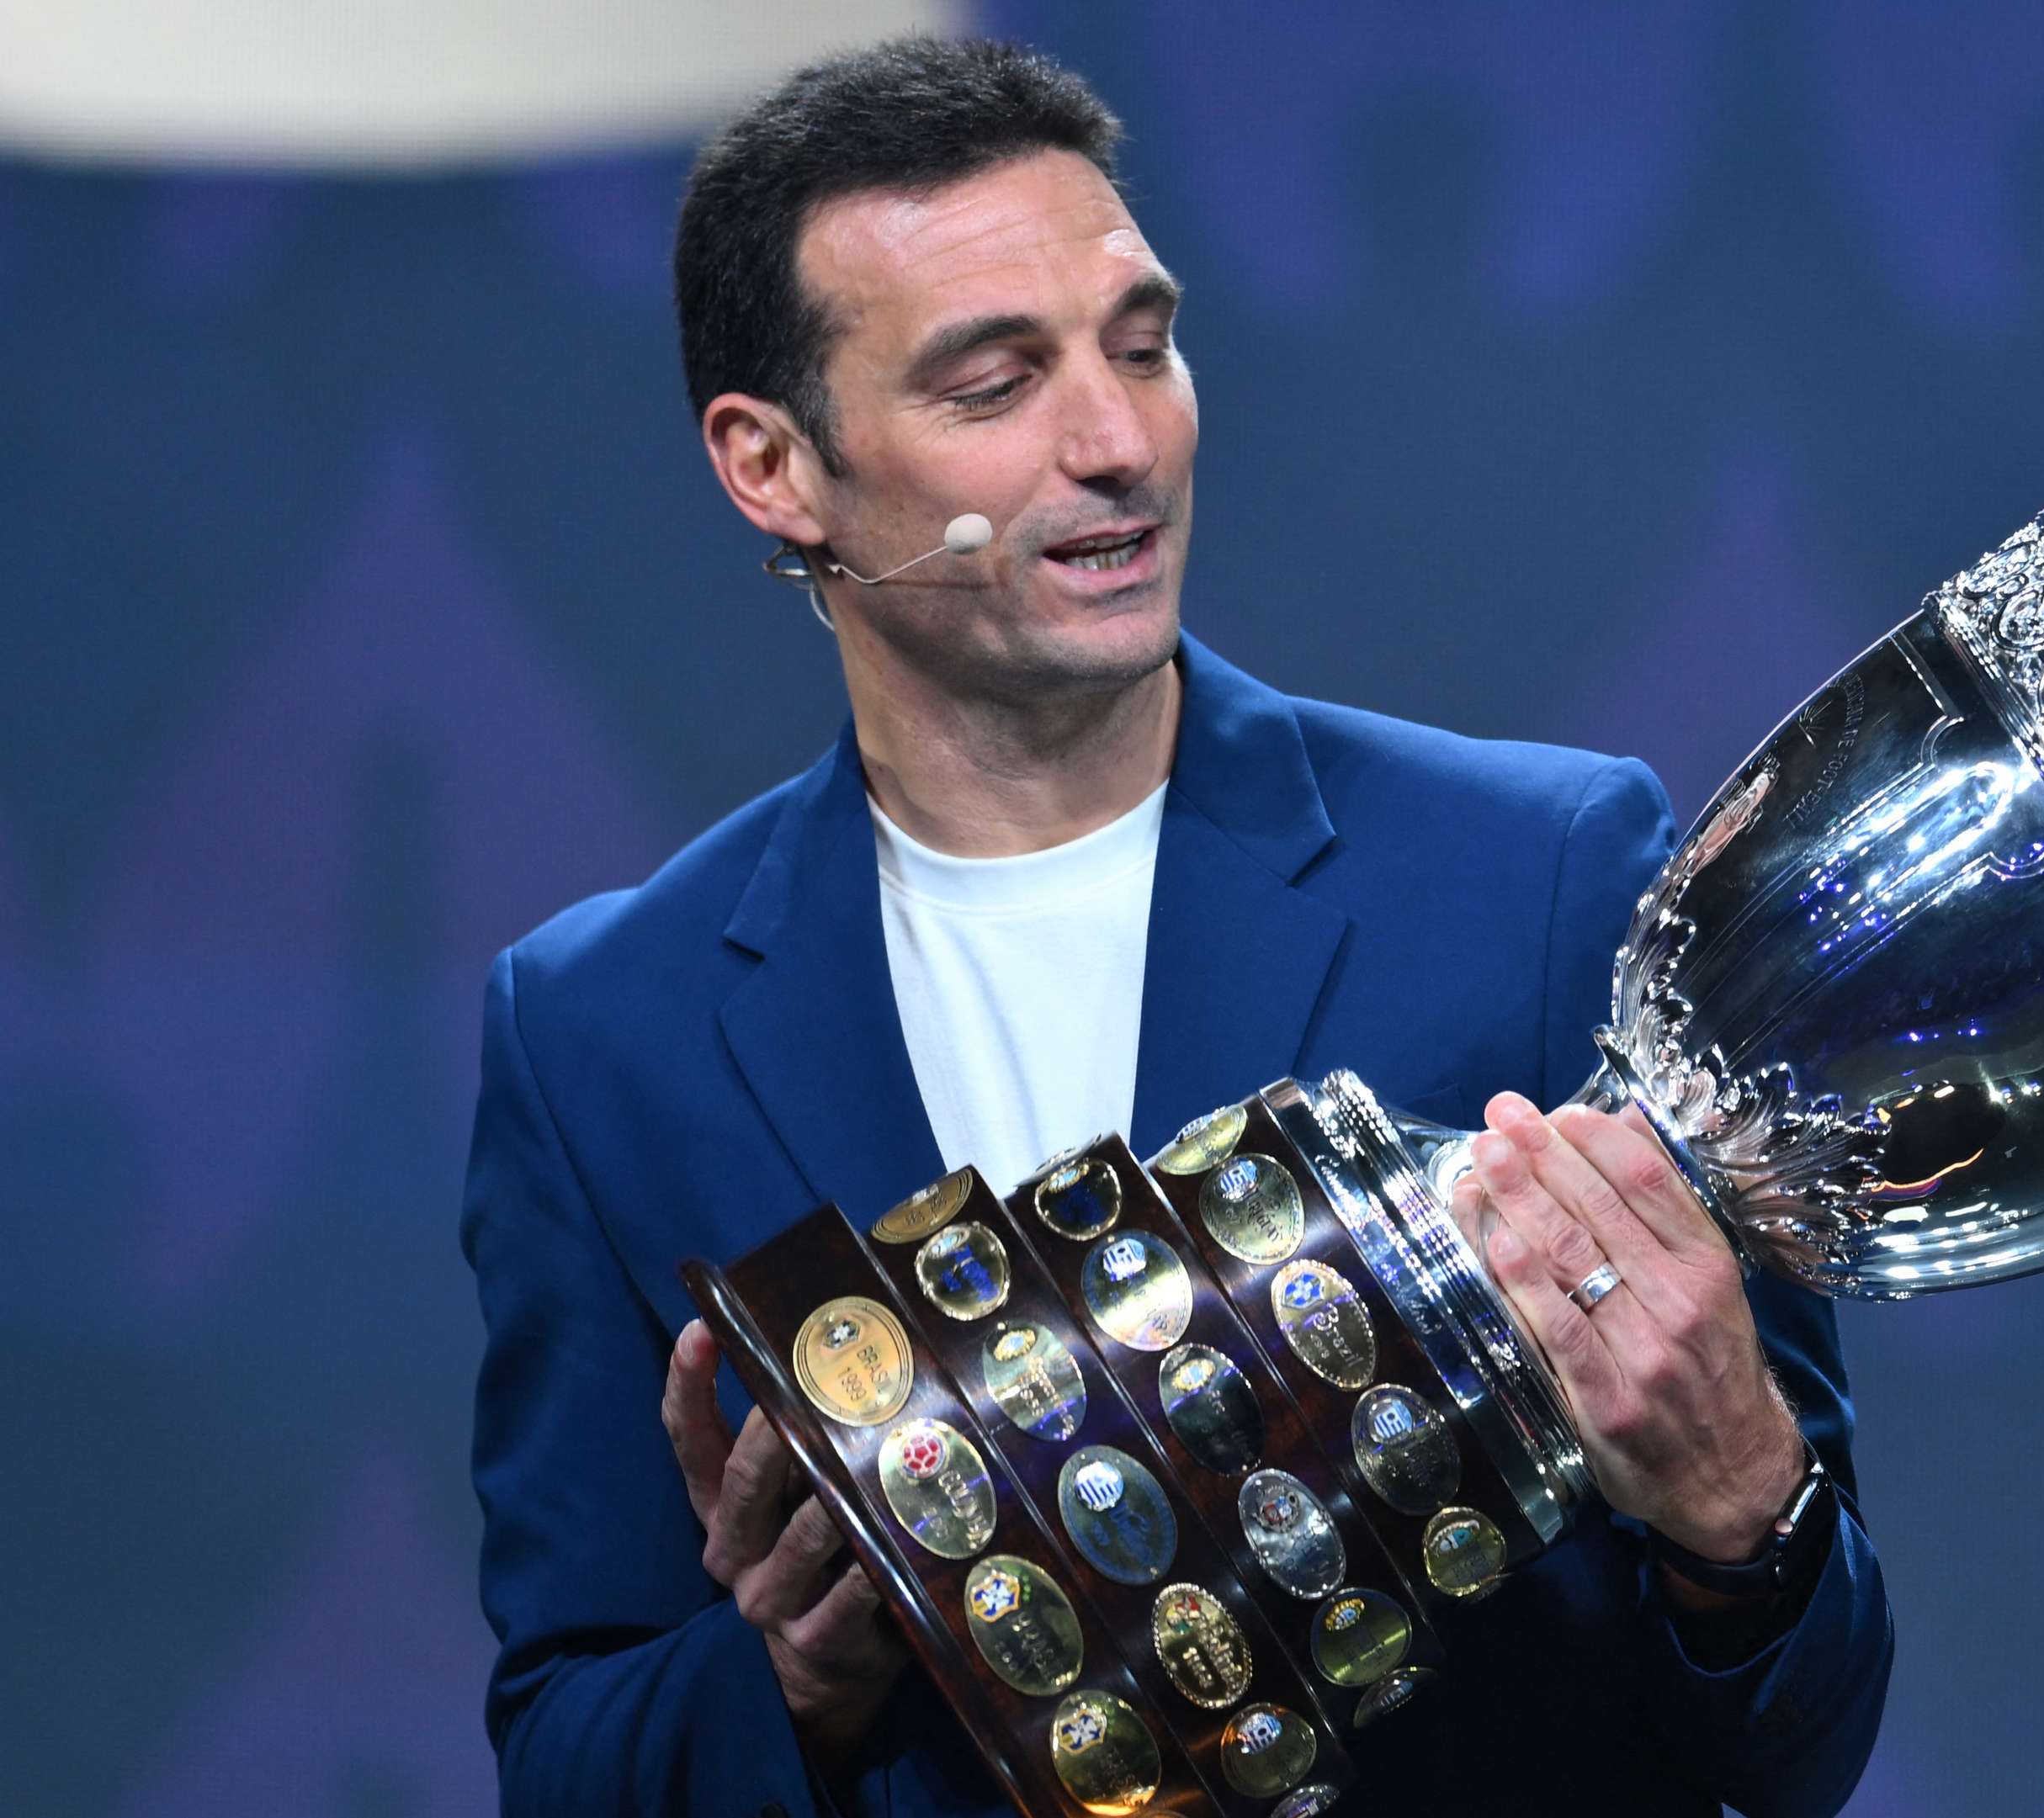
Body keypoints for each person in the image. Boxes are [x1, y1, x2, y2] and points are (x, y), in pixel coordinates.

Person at [460, 35, 1891, 1818]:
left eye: (1140, 345)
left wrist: (1744, 1501)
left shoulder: (1539, 878)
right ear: (775, 467)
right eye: (996, 383)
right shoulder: (611, 1032)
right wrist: (796, 1679)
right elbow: (572, 1761)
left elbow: (1801, 1733)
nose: (1118, 440)